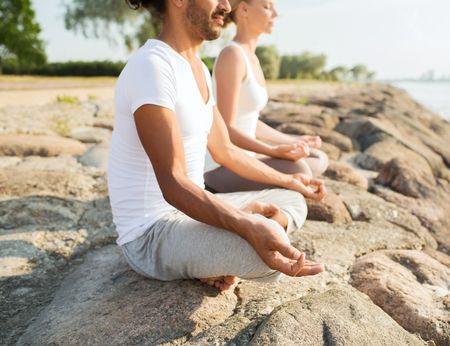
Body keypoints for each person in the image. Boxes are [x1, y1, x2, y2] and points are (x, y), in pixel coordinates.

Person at [108, 0, 326, 292]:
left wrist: (290, 180)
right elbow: (173, 182)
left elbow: (226, 151)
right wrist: (246, 225)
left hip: (189, 212)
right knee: (268, 247)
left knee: (292, 199)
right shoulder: (152, 67)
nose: (226, 5)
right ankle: (210, 251)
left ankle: (211, 249)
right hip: (151, 235)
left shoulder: (196, 66)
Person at [204, 0, 329, 193]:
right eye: (267, 7)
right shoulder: (232, 55)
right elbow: (226, 129)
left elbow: (250, 120)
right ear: (244, 9)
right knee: (300, 169)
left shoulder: (251, 57)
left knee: (318, 158)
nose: (275, 14)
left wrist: (293, 140)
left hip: (249, 158)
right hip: (222, 167)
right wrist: (272, 151)